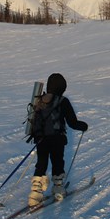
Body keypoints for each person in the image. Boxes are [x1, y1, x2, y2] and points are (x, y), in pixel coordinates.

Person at [28, 73, 88, 207]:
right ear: (61, 87)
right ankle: (58, 189)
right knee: (57, 162)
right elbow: (72, 122)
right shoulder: (63, 101)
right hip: (57, 138)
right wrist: (83, 126)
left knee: (41, 163)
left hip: (40, 138)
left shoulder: (39, 99)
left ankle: (35, 194)